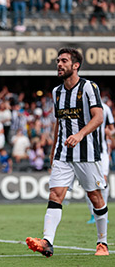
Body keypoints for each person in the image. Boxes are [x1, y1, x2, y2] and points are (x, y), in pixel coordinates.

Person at [26, 48, 109, 257]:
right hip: (63, 154)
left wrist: (80, 135)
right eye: (58, 61)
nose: (59, 64)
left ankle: (102, 243)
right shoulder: (57, 92)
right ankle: (47, 242)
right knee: (55, 195)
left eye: (64, 61)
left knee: (95, 197)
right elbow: (58, 123)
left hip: (87, 153)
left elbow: (98, 117)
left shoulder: (89, 87)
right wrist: (54, 151)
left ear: (75, 65)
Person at [86, 101, 114, 223]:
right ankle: (93, 214)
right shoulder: (82, 106)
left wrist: (109, 133)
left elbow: (112, 129)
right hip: (86, 152)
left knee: (102, 180)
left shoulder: (105, 108)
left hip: (101, 152)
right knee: (90, 184)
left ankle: (103, 213)